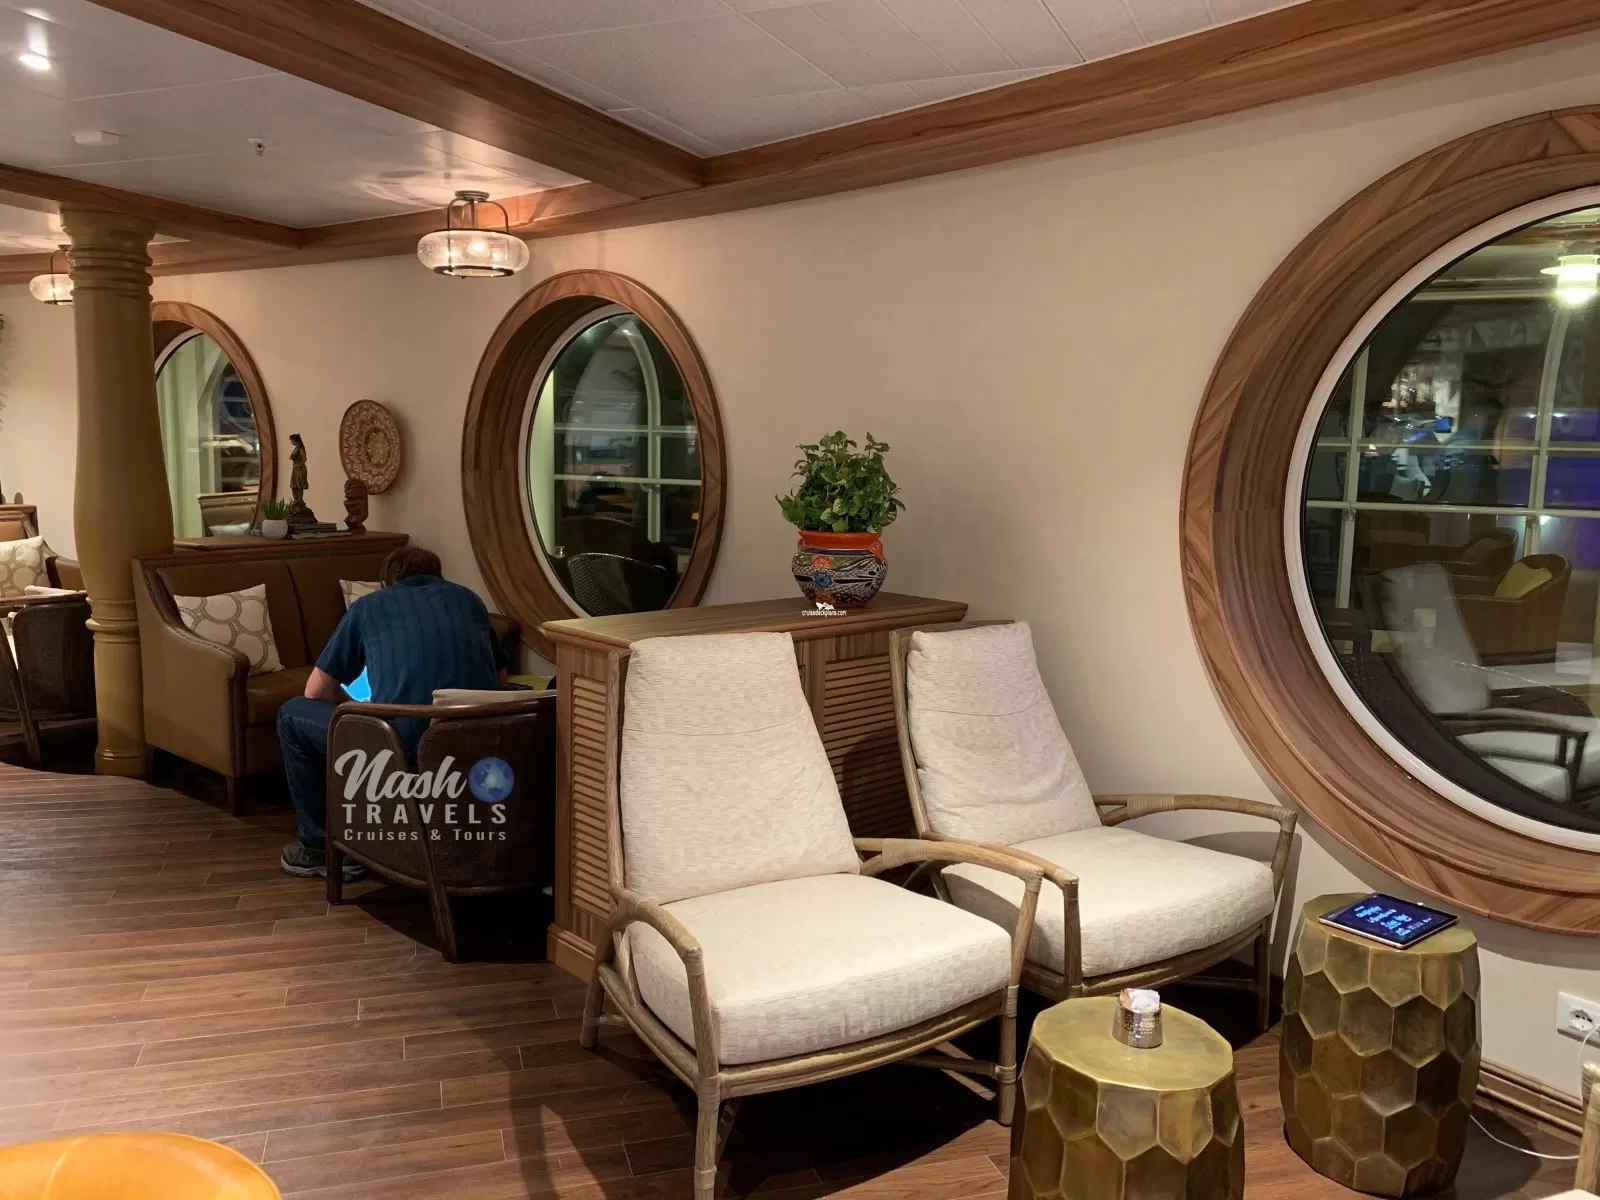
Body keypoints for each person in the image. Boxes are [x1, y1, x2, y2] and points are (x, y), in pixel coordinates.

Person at [276, 546, 508, 878]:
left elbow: (316, 691)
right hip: (477, 742)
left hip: (402, 748)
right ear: (439, 576)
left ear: (385, 582)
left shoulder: (369, 605)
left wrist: (360, 708)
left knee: (292, 714)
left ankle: (320, 848)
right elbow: (501, 682)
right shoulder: (470, 600)